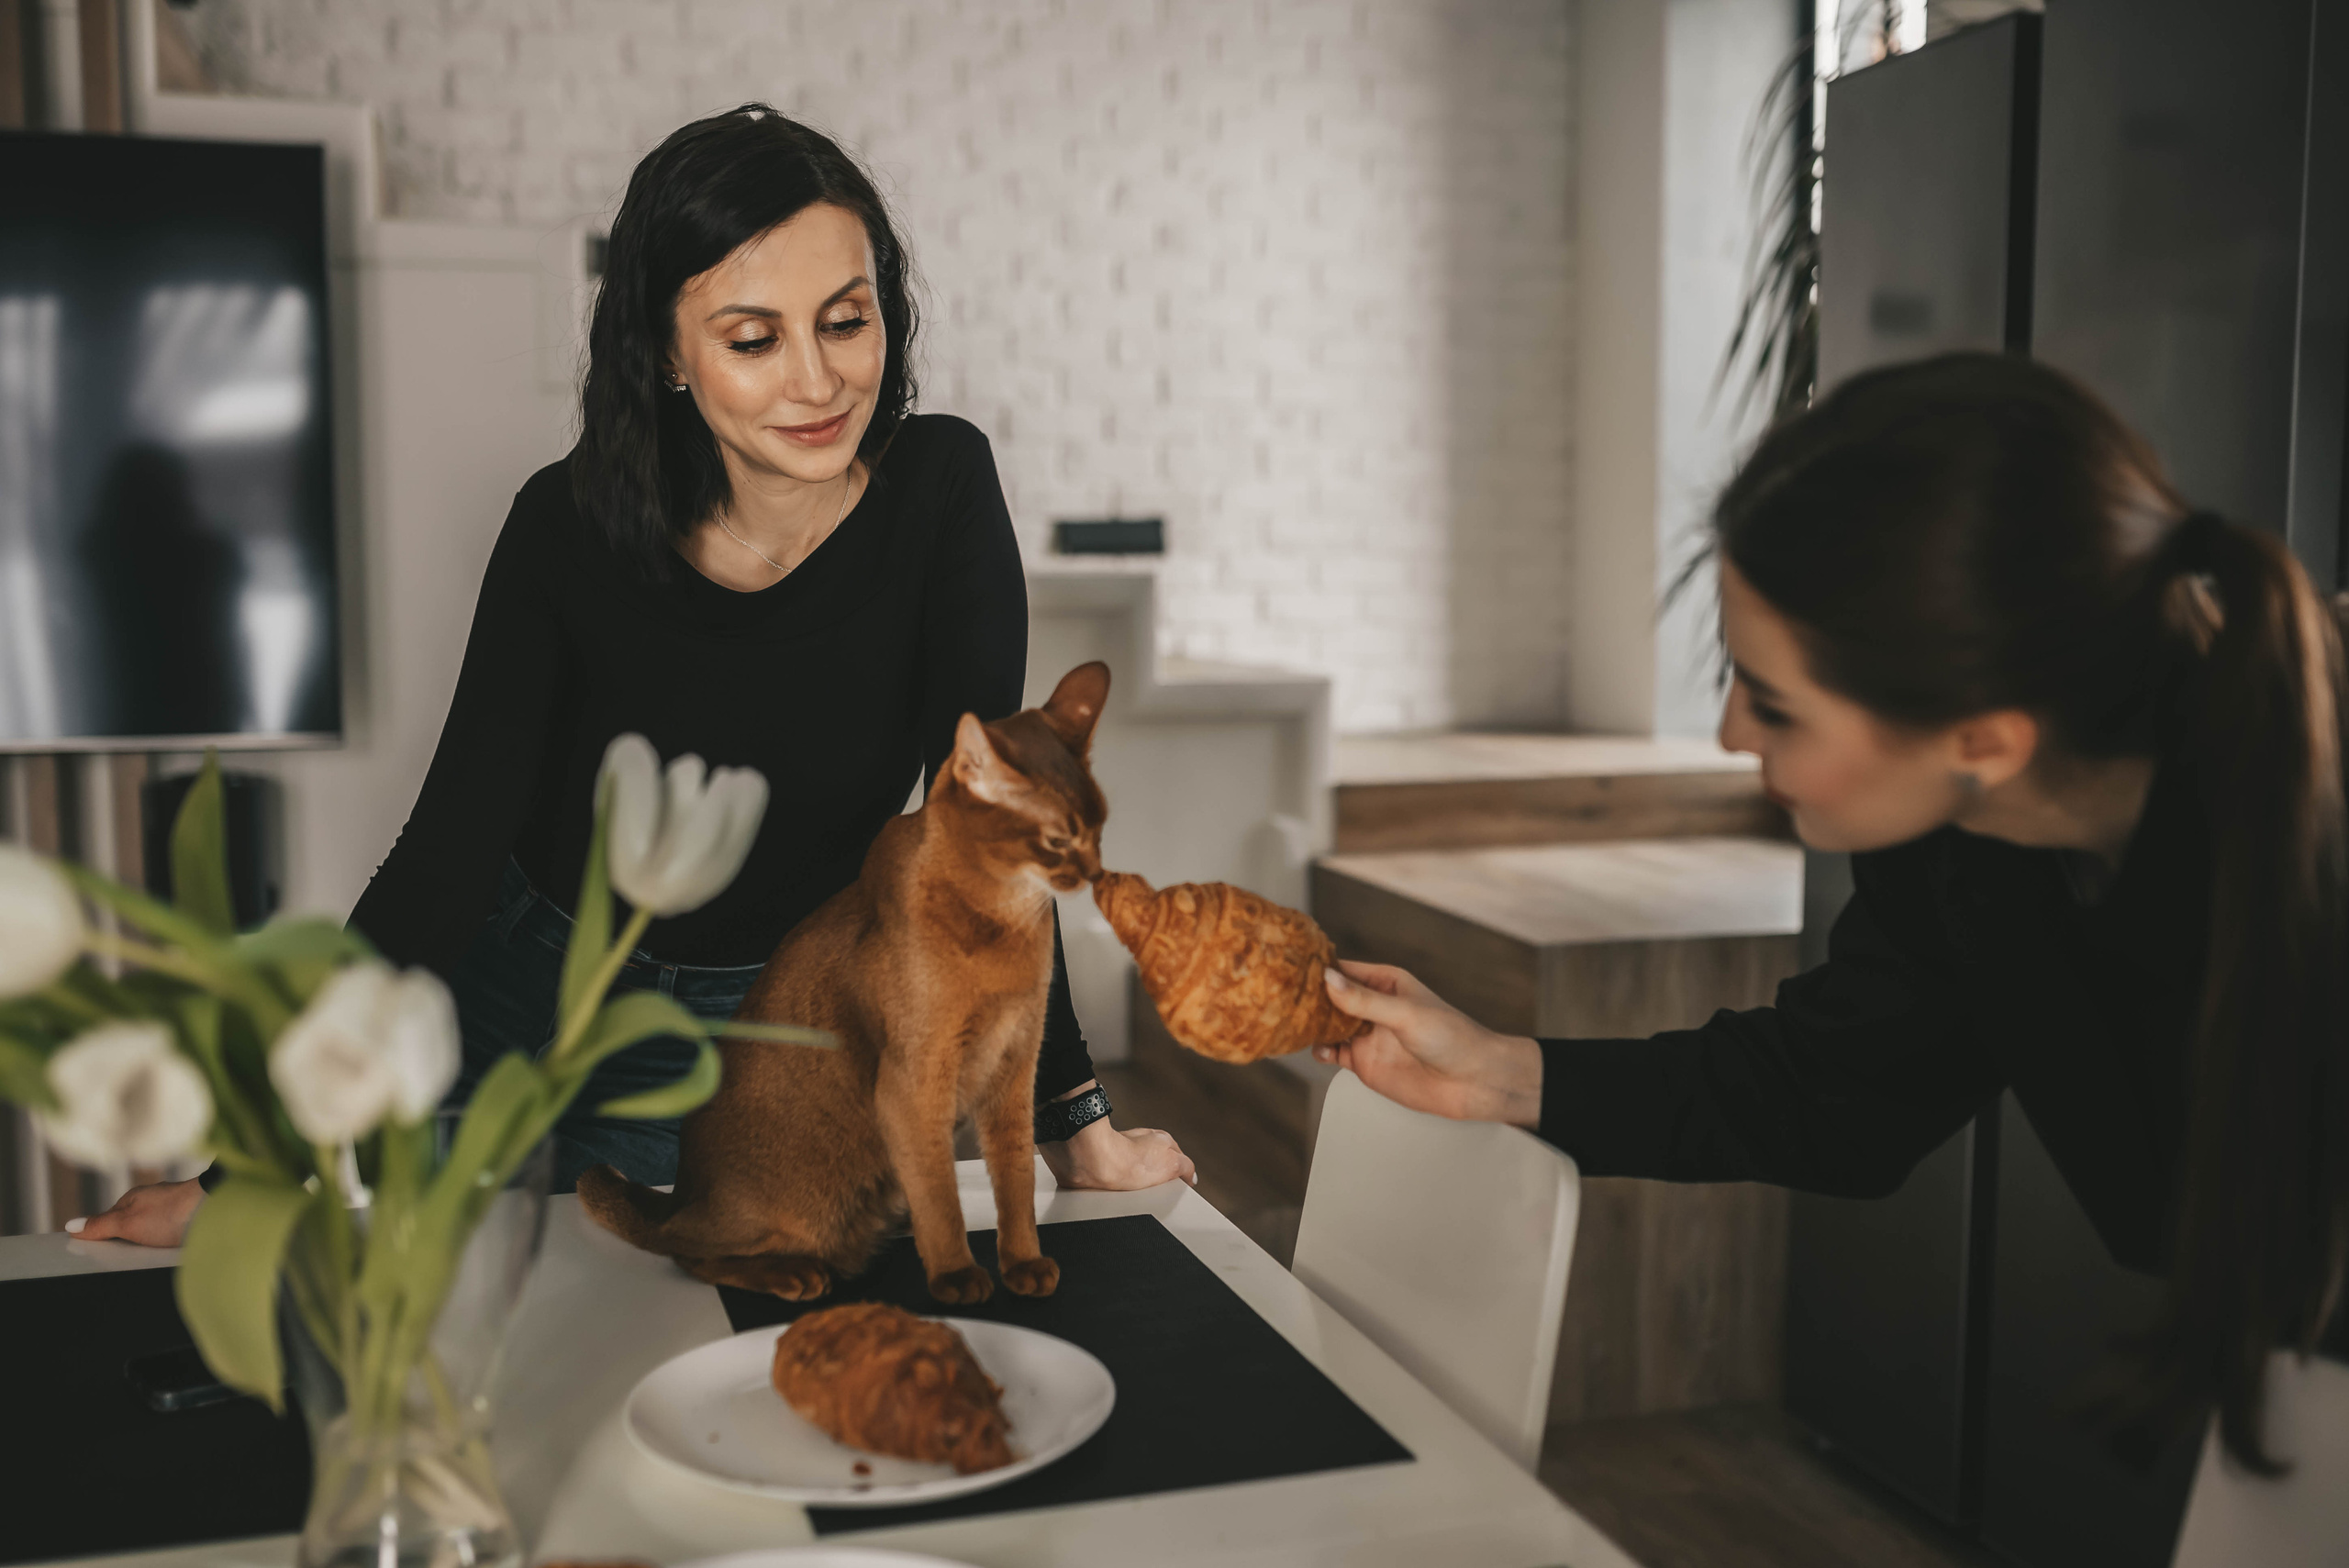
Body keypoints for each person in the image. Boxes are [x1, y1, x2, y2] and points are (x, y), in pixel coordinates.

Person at [72, 105, 1191, 1246]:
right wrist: (241, 1166)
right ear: (666, 350)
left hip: (756, 1025)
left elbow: (987, 838)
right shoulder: (563, 528)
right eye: (753, 340)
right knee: (491, 1344)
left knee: (667, 1347)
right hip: (514, 988)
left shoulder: (942, 492)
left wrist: (1077, 1124)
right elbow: (444, 855)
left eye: (846, 322)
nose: (818, 382)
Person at [1316, 352, 2347, 1473]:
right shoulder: (1964, 847)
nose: (1725, 736)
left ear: (1985, 741)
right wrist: (1500, 1072)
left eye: (1774, 702)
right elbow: (1834, 1090)